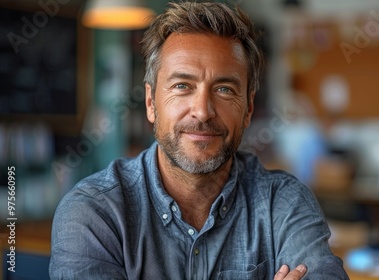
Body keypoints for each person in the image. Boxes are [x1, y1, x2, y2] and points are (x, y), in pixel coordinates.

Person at [49, 2, 349, 279]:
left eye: (224, 90)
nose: (203, 111)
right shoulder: (95, 211)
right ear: (152, 103)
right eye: (182, 86)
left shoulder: (283, 204)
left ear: (248, 109)